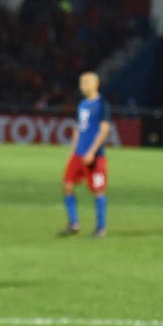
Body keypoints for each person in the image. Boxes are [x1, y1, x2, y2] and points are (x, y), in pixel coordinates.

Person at [60, 71, 111, 237]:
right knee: (67, 185)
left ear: (95, 84)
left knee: (98, 190)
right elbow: (78, 129)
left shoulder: (102, 104)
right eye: (81, 82)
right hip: (78, 154)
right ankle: (73, 223)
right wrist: (72, 151)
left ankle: (100, 228)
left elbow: (104, 130)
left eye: (85, 82)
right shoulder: (82, 104)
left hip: (94, 157)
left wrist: (92, 152)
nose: (82, 85)